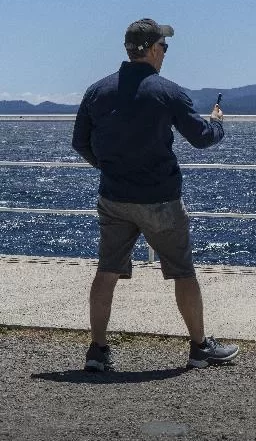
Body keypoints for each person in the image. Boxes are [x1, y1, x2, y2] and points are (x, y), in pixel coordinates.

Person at [71, 18, 239, 371]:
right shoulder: (167, 91)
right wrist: (218, 123)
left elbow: (80, 143)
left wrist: (107, 167)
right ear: (150, 49)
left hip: (114, 197)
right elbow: (202, 138)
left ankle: (97, 351)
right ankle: (199, 348)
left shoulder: (96, 91)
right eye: (164, 46)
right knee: (182, 272)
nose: (165, 53)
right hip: (160, 199)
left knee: (107, 271)